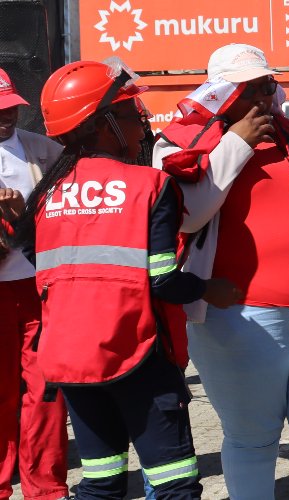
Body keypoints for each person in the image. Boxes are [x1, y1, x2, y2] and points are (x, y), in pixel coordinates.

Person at [20, 58, 239, 500]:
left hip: (70, 360)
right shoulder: (150, 186)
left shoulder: (48, 193)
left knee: (101, 483)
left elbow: (35, 257)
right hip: (137, 354)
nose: (142, 125)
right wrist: (208, 290)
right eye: (130, 115)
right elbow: (162, 281)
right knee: (174, 483)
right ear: (103, 124)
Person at [151, 43, 289, 499]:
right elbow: (188, 215)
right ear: (222, 92)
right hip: (238, 317)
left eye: (267, 84)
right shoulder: (181, 141)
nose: (265, 94)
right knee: (254, 438)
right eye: (251, 87)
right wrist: (238, 142)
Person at [0, 67, 69, 500]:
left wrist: (26, 214)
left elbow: (68, 212)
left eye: (10, 109)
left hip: (40, 288)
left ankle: (46, 487)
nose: (6, 118)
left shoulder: (44, 150)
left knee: (47, 391)